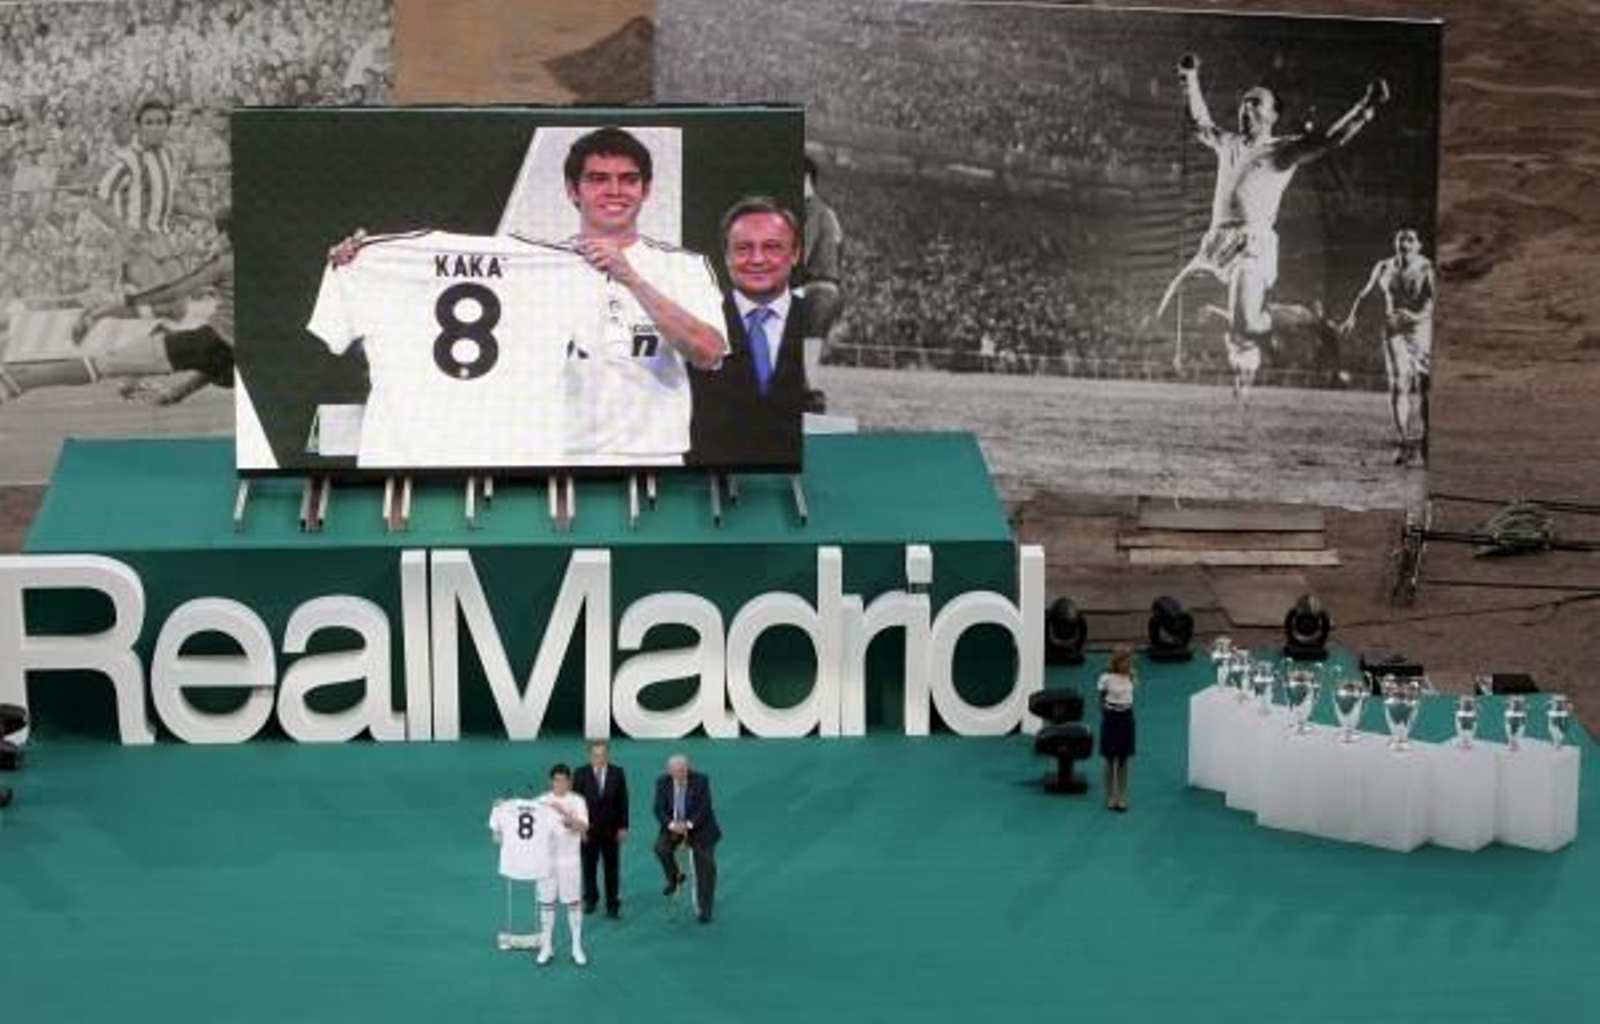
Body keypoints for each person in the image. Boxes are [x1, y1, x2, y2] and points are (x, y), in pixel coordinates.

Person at [1151, 55, 1389, 398]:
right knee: (1165, 313)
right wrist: (1189, 78)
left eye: (1255, 103)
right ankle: (1252, 334)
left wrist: (1366, 107)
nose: (1246, 108)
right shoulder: (1228, 143)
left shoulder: (1282, 150)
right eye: (1243, 103)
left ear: (1273, 115)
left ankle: (1308, 318)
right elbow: (1198, 122)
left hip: (1252, 243)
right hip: (1215, 242)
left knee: (1247, 324)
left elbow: (1330, 139)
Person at [687, 196, 807, 468]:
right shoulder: (696, 325)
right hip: (711, 483)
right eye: (743, 248)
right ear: (726, 255)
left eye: (772, 247)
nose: (757, 259)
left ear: (796, 253)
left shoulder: (815, 324)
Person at [87, 99, 209, 290]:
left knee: (179, 307)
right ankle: (112, 305)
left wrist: (205, 215)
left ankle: (124, 300)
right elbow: (95, 201)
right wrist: (124, 229)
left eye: (160, 122)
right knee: (159, 296)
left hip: (160, 239)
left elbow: (173, 199)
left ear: (167, 126)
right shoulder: (128, 160)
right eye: (149, 122)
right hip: (135, 242)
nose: (155, 128)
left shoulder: (168, 155)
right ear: (138, 126)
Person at [1340, 228, 1435, 466]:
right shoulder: (1383, 267)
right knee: (1399, 383)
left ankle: (1426, 440)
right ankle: (1403, 443)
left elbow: (1434, 303)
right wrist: (1352, 317)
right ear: (1395, 243)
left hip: (1421, 331)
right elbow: (1365, 294)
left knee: (1424, 387)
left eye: (1410, 239)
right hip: (1394, 331)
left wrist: (1413, 316)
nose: (1405, 243)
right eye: (1401, 238)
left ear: (1419, 245)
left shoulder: (1427, 268)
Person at [531, 763, 590, 966]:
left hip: (570, 861)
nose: (560, 784)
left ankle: (576, 947)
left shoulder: (578, 801)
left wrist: (563, 813)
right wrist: (501, 806)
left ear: (569, 781)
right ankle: (547, 946)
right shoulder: (540, 801)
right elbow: (523, 818)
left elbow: (583, 828)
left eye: (564, 780)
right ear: (551, 781)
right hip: (545, 861)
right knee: (547, 903)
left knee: (573, 903)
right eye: (557, 780)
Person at [653, 753, 721, 924]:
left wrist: (689, 825)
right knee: (661, 848)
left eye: (683, 771)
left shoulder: (701, 780)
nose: (680, 775)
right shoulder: (662, 782)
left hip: (700, 828)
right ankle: (675, 877)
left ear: (688, 767)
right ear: (669, 771)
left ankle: (704, 910)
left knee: (706, 867)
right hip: (674, 826)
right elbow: (658, 809)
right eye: (676, 772)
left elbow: (705, 808)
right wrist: (671, 825)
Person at [800, 156, 844, 413]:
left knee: (808, 367)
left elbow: (803, 251)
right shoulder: (829, 211)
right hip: (829, 288)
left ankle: (812, 410)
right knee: (807, 360)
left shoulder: (812, 209)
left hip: (814, 287)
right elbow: (839, 252)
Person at [572, 740, 629, 919]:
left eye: (603, 754)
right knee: (588, 867)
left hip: (611, 831)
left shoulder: (617, 772)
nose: (600, 758)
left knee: (612, 869)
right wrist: (580, 829)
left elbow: (623, 802)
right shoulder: (580, 773)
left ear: (607, 755)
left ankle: (612, 904)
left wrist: (623, 827)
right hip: (588, 831)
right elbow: (576, 803)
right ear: (590, 756)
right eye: (596, 755)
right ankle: (591, 899)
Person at [1097, 645, 1137, 812]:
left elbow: (1129, 698)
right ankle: (1110, 797)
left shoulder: (1132, 676)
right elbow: (1100, 699)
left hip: (1127, 718)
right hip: (1111, 718)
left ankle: (1121, 796)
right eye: (1125, 660)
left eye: (1130, 660)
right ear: (1117, 661)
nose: (1128, 663)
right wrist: (1106, 715)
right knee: (1109, 759)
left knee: (1123, 760)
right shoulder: (1105, 678)